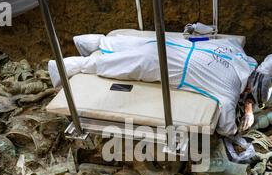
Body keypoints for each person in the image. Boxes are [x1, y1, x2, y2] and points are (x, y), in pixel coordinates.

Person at [49, 34, 258, 137]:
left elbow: (209, 39)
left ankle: (89, 42)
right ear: (248, 89)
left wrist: (248, 101)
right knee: (112, 65)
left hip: (171, 43)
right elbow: (227, 128)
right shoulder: (229, 91)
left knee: (122, 44)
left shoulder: (237, 53)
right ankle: (64, 67)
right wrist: (245, 115)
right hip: (163, 63)